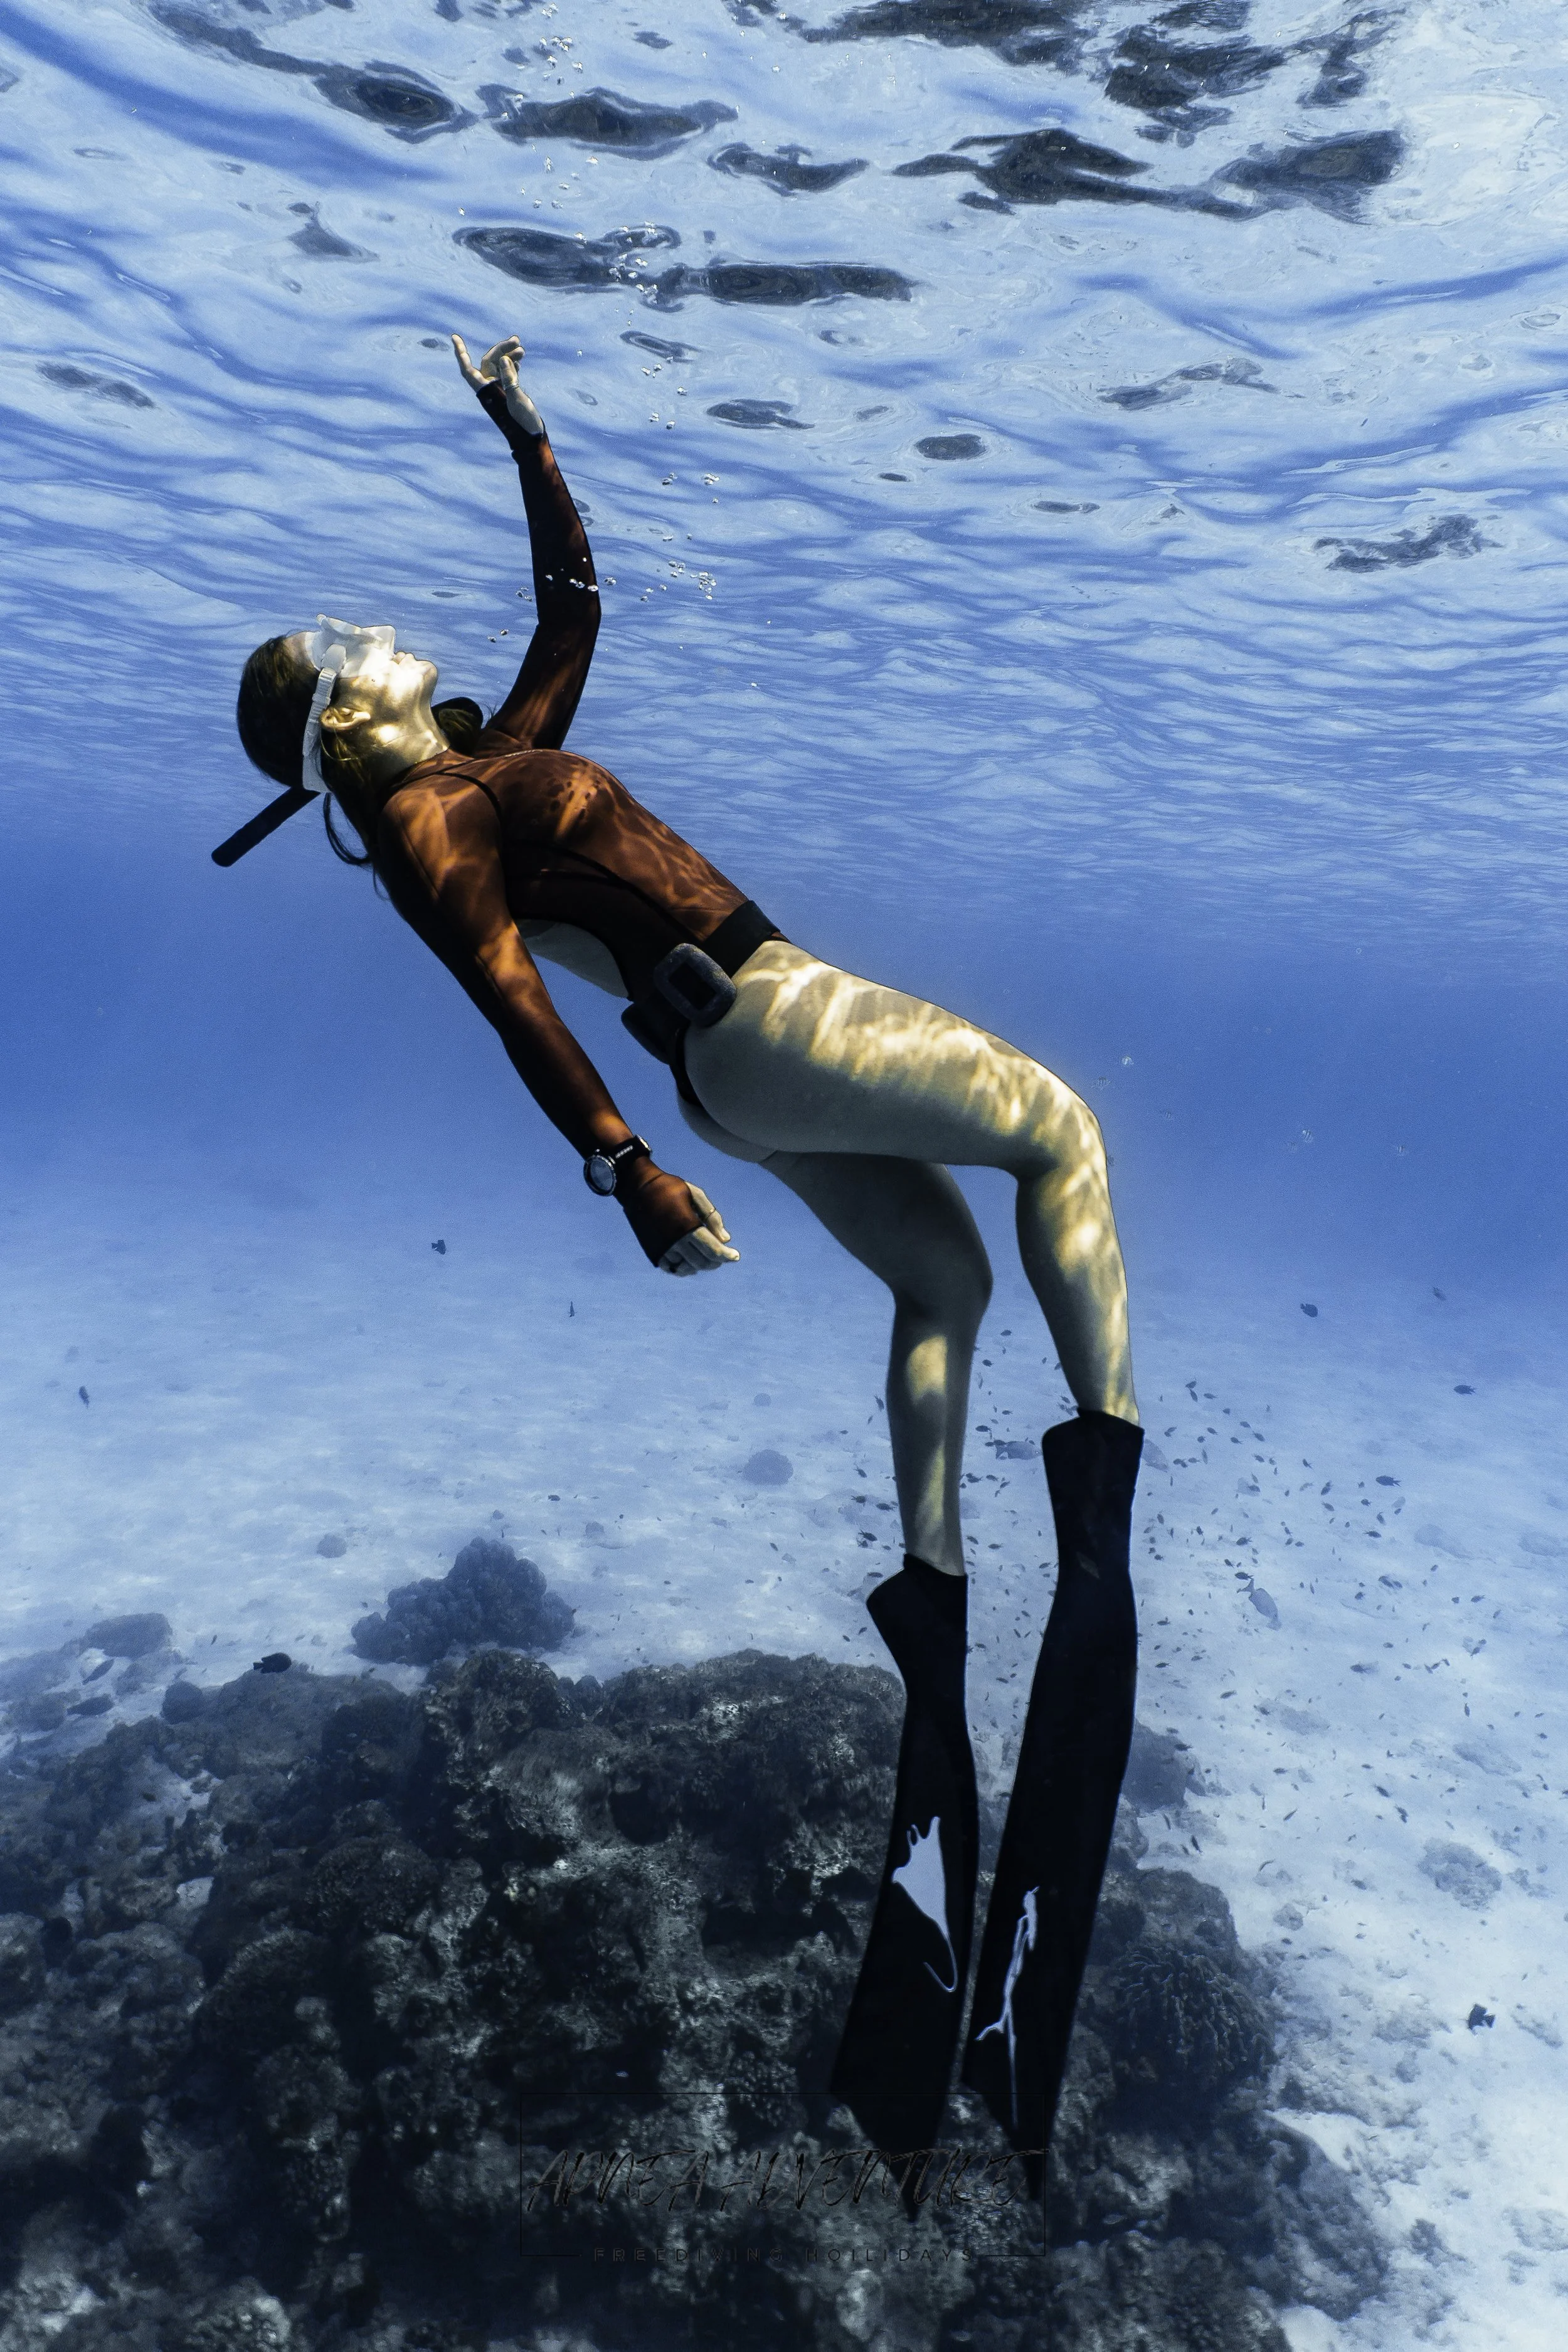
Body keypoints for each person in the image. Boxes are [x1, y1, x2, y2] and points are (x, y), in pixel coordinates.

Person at [226, 332, 1145, 2207]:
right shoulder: (420, 822)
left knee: (940, 1289)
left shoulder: (476, 765)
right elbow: (499, 994)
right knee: (1058, 1127)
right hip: (758, 1018)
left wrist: (523, 427)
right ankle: (1106, 1501)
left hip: (728, 1069)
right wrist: (619, 1168)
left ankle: (938, 1593)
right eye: (356, 642)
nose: (389, 636)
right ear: (339, 717)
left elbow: (576, 595)